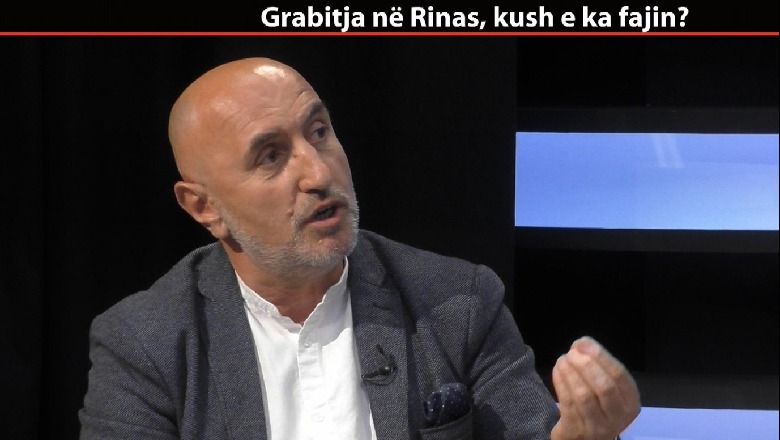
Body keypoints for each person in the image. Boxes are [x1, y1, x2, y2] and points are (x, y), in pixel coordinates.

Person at [79, 57, 640, 440]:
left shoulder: (457, 302)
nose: (319, 173)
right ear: (204, 207)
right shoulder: (144, 343)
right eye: (271, 156)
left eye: (319, 131)